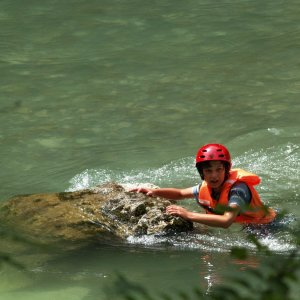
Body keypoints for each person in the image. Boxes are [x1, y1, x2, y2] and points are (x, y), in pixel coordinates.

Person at [130, 143, 277, 229]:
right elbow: (180, 194)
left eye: (219, 169)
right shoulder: (205, 187)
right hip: (245, 223)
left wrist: (188, 215)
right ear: (202, 173)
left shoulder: (237, 191)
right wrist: (154, 192)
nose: (214, 175)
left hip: (266, 226)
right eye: (209, 171)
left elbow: (226, 221)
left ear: (226, 170)